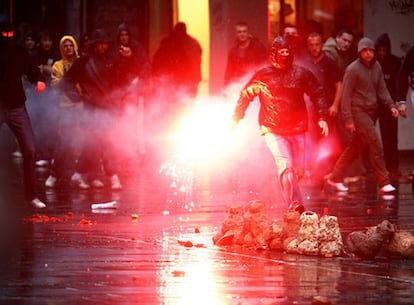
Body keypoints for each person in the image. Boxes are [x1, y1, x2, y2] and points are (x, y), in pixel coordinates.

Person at [231, 36, 329, 212]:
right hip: (272, 128)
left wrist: (322, 117)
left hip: (297, 128)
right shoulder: (262, 76)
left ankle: (293, 200)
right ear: (274, 54)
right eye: (281, 52)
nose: (285, 54)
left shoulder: (301, 73)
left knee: (298, 171)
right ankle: (295, 205)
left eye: (287, 51)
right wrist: (236, 117)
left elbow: (318, 93)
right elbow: (246, 95)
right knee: (286, 165)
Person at [326, 37, 399, 193]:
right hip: (358, 111)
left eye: (371, 51)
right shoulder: (353, 69)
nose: (368, 54)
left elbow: (382, 89)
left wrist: (391, 105)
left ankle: (335, 177)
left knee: (355, 147)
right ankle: (383, 182)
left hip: (370, 111)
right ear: (360, 52)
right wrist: (348, 119)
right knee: (375, 143)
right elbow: (346, 95)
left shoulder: (377, 67)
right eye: (365, 51)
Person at [59, 28, 123, 190]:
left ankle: (80, 174)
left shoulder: (111, 61)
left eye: (105, 44)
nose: (102, 47)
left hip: (107, 108)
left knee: (100, 143)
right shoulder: (84, 62)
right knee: (97, 143)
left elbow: (119, 82)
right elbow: (65, 82)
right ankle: (111, 175)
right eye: (99, 44)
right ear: (94, 45)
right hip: (91, 109)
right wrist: (78, 100)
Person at [0, 21, 47, 208]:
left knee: (29, 149)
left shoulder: (20, 52)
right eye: (5, 33)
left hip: (16, 106)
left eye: (10, 33)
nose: (7, 37)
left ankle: (31, 195)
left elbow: (32, 71)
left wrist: (39, 80)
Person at [44, 35, 89, 189]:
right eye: (66, 46)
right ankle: (54, 174)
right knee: (63, 142)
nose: (69, 48)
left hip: (81, 107)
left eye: (71, 45)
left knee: (79, 143)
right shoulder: (58, 65)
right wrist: (67, 77)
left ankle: (75, 174)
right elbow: (56, 85)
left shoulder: (81, 62)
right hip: (65, 107)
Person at [302, 32, 342, 184]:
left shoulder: (329, 63)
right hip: (310, 110)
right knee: (310, 140)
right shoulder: (305, 63)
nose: (314, 48)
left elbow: (339, 85)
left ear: (322, 45)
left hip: (327, 109)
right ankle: (313, 172)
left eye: (317, 44)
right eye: (311, 45)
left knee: (326, 140)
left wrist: (335, 105)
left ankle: (326, 173)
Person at [375, 33, 406, 180]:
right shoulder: (373, 63)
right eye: (379, 50)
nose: (382, 53)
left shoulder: (394, 62)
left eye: (384, 50)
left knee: (391, 137)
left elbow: (399, 81)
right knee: (374, 136)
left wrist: (398, 101)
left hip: (390, 103)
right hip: (376, 104)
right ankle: (382, 167)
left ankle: (393, 166)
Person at [153, 22, 202, 98]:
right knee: (188, 101)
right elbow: (199, 56)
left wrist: (156, 74)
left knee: (176, 101)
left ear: (175, 30)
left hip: (178, 77)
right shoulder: (193, 42)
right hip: (192, 77)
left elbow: (158, 59)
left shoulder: (169, 42)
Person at [224, 21, 267, 85]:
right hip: (238, 85)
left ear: (248, 33)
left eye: (244, 31)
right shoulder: (233, 51)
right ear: (236, 34)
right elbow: (229, 72)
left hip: (254, 84)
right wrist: (226, 86)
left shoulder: (258, 48)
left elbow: (265, 66)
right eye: (239, 32)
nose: (242, 34)